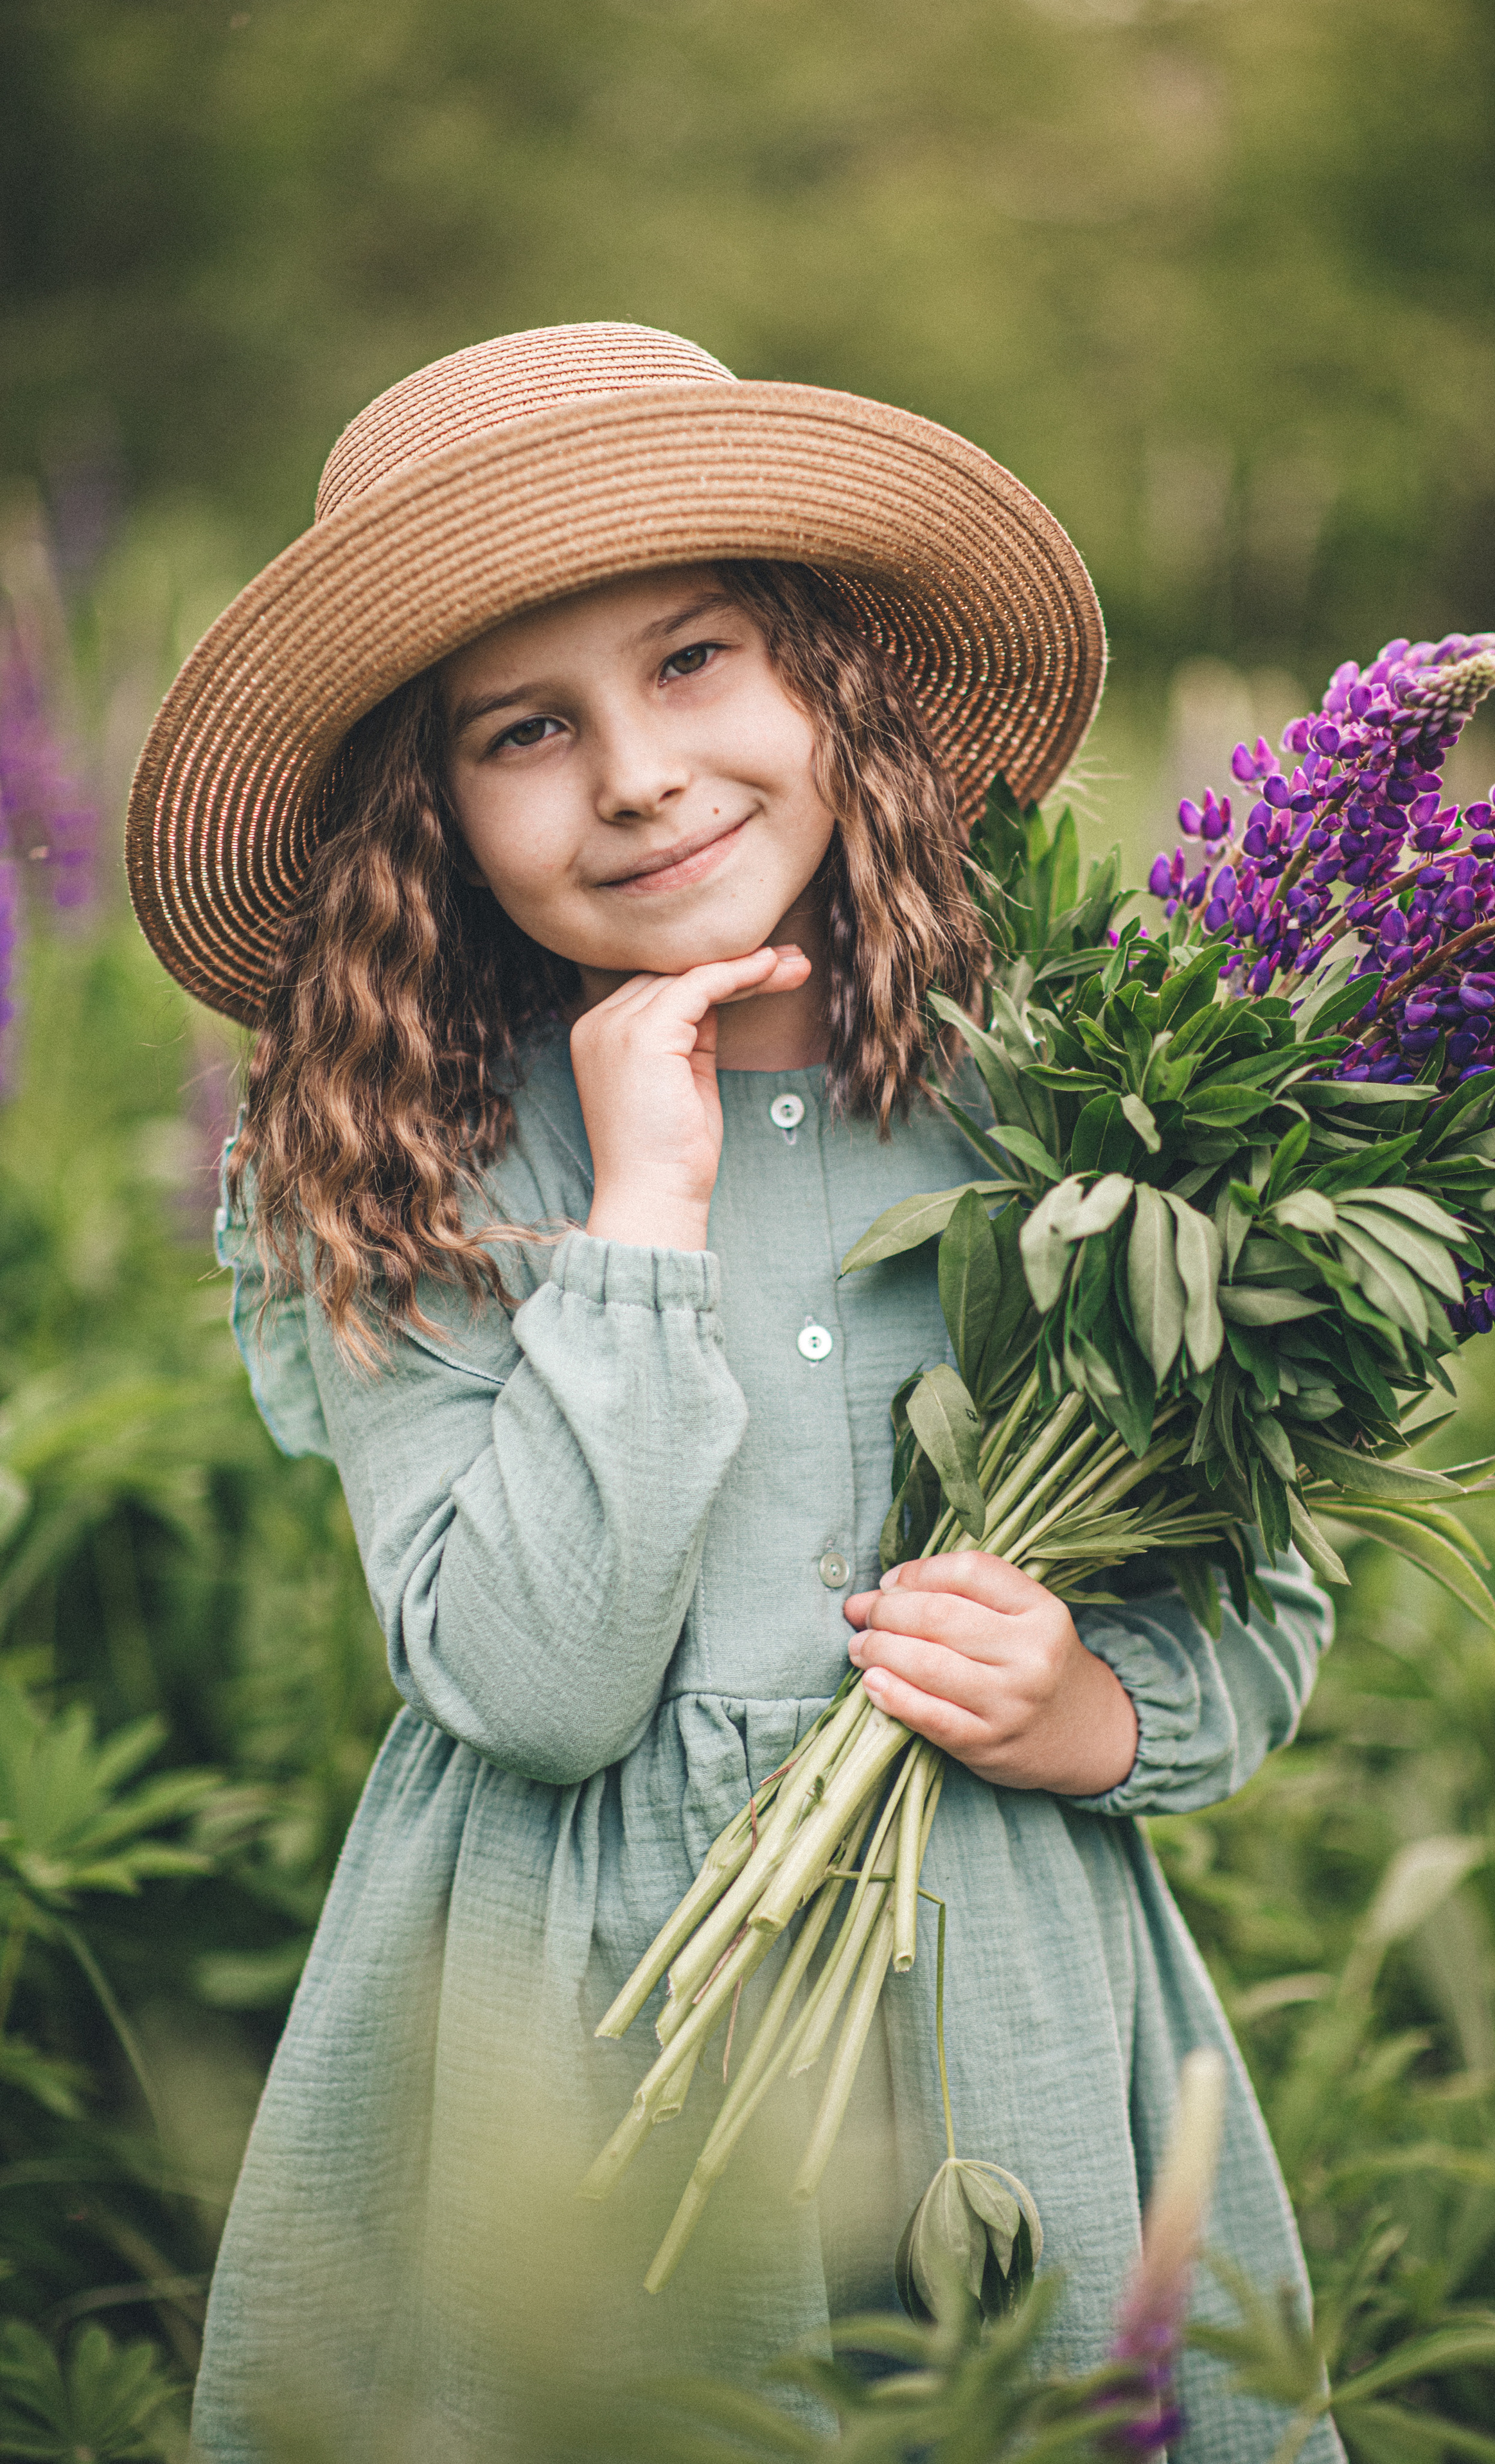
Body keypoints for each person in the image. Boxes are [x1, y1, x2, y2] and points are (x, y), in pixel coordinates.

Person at [127, 323, 1343, 2462]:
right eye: (525, 727)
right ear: (431, 815)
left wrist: (1096, 1709)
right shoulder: (401, 1150)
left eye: (693, 660)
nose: (636, 772)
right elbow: (533, 1680)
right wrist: (645, 1209)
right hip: (569, 2039)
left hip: (1008, 1997)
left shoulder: (1080, 1093)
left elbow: (1259, 1573)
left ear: (827, 679)